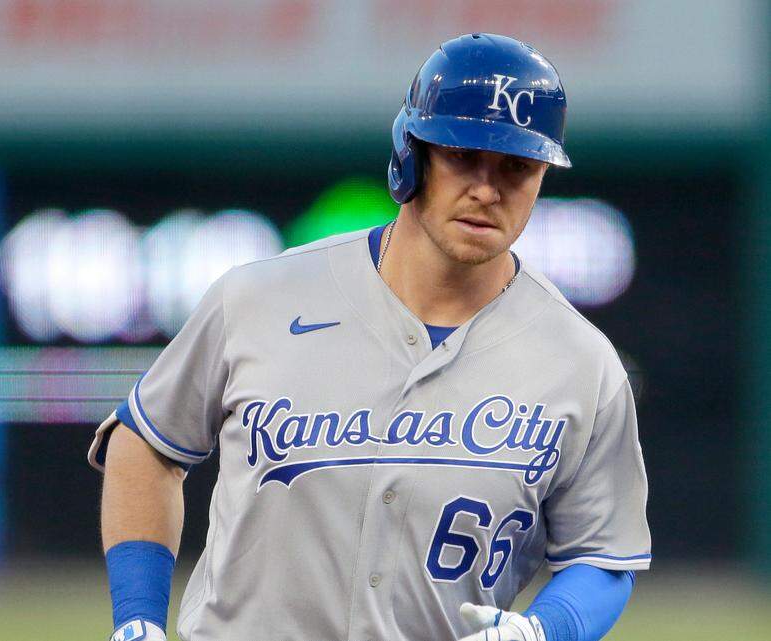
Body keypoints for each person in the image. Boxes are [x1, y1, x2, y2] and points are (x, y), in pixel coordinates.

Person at [88, 33, 650, 641]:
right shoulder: (257, 299)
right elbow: (146, 444)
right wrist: (138, 618)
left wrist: (541, 632)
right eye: (463, 155)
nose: (487, 189)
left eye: (516, 166)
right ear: (412, 157)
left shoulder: (582, 362)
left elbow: (603, 557)